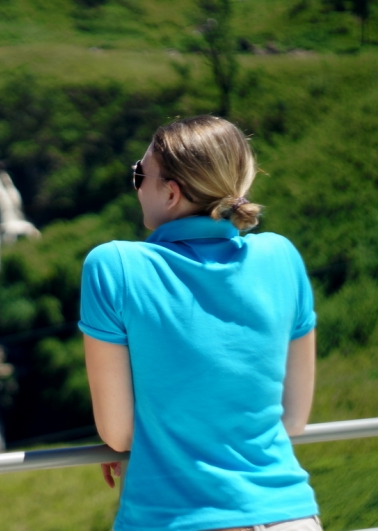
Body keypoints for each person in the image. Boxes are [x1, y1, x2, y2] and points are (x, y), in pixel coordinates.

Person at [79, 115, 321, 531]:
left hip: (181, 519)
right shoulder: (281, 255)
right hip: (290, 515)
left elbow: (118, 434)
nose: (135, 184)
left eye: (139, 174)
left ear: (171, 192)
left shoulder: (114, 265)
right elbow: (293, 420)